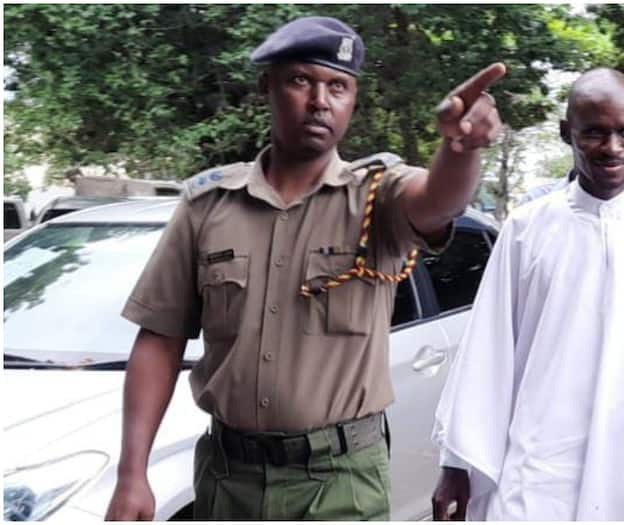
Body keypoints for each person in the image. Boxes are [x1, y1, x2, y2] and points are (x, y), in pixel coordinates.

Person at [104, 16, 504, 521]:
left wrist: (461, 147)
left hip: (339, 481)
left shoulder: (376, 196)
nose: (320, 100)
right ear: (266, 87)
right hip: (229, 478)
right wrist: (131, 473)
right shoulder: (207, 204)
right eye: (301, 81)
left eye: (338, 86)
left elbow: (439, 202)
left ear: (353, 100)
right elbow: (160, 338)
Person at [429, 68, 624, 521]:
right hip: (539, 464)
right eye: (594, 133)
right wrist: (457, 464)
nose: (613, 148)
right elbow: (487, 354)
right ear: (565, 133)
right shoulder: (526, 228)